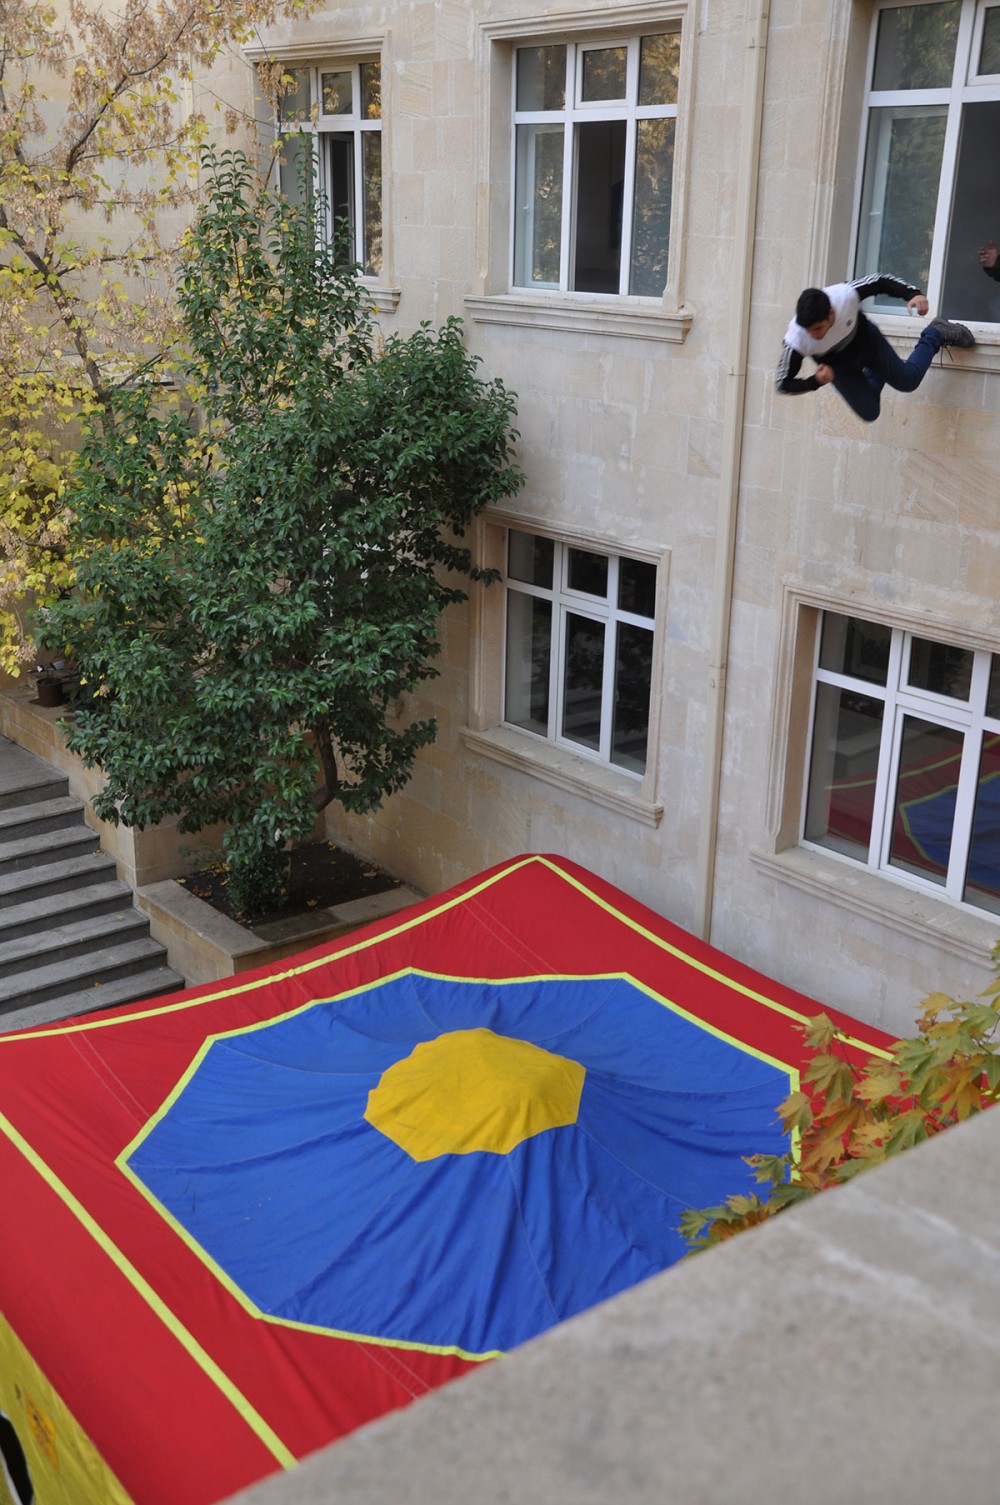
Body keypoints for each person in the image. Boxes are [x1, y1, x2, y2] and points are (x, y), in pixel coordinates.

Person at [775, 274, 974, 423]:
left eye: (818, 328)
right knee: (869, 412)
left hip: (867, 343)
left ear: (831, 312)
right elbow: (782, 383)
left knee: (908, 381)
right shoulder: (796, 340)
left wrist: (912, 294)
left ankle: (935, 333)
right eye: (808, 331)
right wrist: (815, 381)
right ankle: (875, 372)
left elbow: (880, 281)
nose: (813, 335)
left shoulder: (845, 295)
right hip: (839, 368)